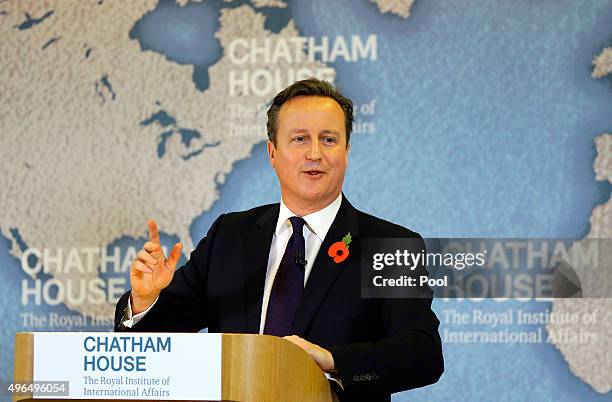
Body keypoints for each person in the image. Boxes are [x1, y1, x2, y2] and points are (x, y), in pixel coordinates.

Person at [114, 78, 443, 401]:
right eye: (299, 139)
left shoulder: (389, 245)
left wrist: (333, 361)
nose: (314, 153)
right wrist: (145, 302)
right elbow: (156, 344)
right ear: (272, 152)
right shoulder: (230, 235)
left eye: (329, 140)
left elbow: (421, 354)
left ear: (346, 151)